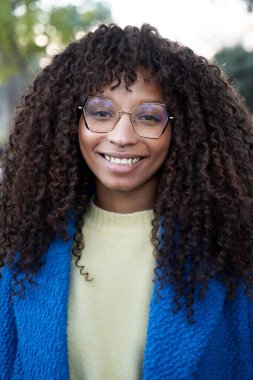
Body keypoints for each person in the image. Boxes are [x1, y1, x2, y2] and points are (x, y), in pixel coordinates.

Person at [0, 23, 253, 380]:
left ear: (185, 129)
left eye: (149, 117)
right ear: (71, 121)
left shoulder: (231, 253)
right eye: (101, 112)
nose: (121, 137)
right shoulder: (26, 248)